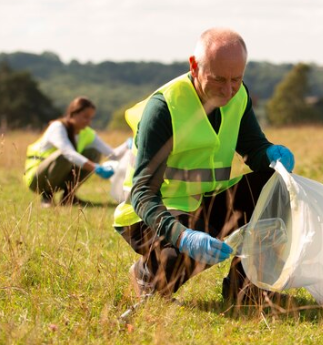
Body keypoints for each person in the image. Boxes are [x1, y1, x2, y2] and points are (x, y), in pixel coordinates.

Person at [113, 28, 295, 305]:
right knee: (175, 263)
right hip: (153, 216)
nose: (228, 90)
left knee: (276, 184)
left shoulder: (237, 96)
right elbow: (142, 194)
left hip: (203, 206)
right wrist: (182, 236)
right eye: (219, 79)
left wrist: (270, 153)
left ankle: (246, 287)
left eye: (237, 79)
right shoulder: (163, 109)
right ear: (194, 66)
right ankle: (146, 274)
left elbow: (254, 148)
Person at [24, 96, 130, 207]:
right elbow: (68, 153)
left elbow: (112, 154)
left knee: (94, 152)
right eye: (85, 117)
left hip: (59, 178)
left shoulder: (87, 133)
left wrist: (127, 145)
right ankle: (47, 197)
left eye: (91, 118)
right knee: (64, 155)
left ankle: (68, 197)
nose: (88, 122)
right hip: (37, 179)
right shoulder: (57, 127)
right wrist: (96, 168)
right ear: (73, 114)